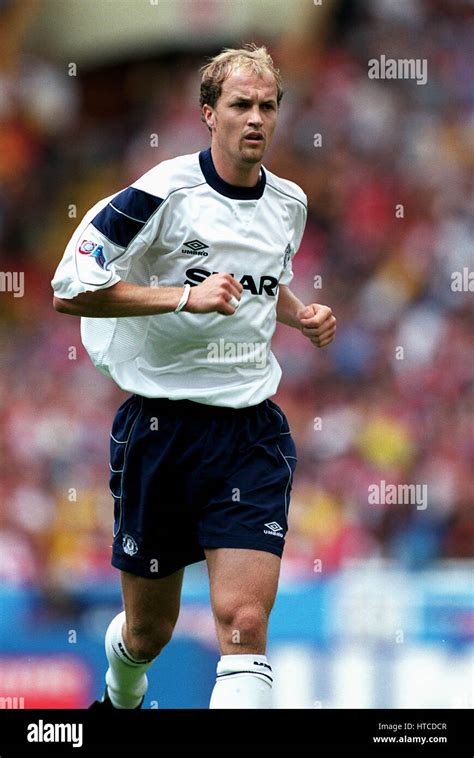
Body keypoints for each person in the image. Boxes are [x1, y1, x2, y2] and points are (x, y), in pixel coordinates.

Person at [51, 44, 336, 709]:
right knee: (150, 632)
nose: (256, 118)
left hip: (249, 434)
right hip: (159, 429)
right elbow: (71, 288)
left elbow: (263, 284)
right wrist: (184, 297)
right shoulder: (160, 193)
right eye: (241, 105)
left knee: (243, 623)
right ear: (210, 113)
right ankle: (122, 692)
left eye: (268, 105)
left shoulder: (289, 203)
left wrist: (299, 316)